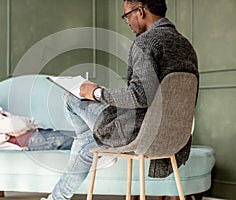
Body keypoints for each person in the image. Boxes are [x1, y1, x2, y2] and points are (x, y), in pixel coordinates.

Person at [42, 0, 199, 199]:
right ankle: (92, 144)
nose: (128, 21)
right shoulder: (185, 45)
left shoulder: (147, 42)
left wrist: (97, 93)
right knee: (87, 139)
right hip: (174, 137)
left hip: (138, 133)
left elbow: (139, 96)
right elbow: (153, 95)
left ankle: (97, 143)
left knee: (71, 97)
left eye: (127, 15)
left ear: (140, 11)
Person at [0, 77, 75, 151]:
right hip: (31, 141)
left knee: (82, 137)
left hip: (38, 135)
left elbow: (27, 123)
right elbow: (16, 125)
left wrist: (22, 127)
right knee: (81, 141)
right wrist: (22, 126)